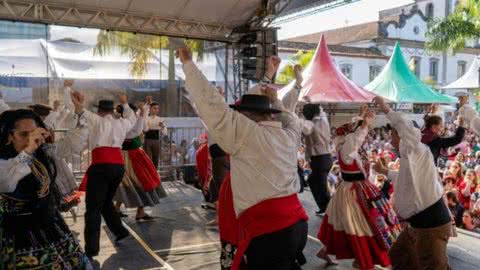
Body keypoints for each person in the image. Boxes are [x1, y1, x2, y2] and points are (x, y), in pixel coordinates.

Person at [178, 48, 308, 270]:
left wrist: (188, 64)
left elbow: (212, 104)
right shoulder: (289, 136)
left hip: (269, 231)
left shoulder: (246, 133)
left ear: (247, 116)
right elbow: (291, 117)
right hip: (297, 224)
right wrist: (275, 100)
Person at [0, 109, 90, 269]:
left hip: (50, 229)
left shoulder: (39, 156)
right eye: (23, 135)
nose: (30, 140)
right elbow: (7, 182)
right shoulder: (6, 162)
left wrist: (79, 112)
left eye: (34, 134)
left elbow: (71, 145)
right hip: (16, 238)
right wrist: (28, 151)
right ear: (8, 136)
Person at [316, 107, 401, 270]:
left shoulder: (348, 148)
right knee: (359, 224)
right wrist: (364, 125)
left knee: (342, 222)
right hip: (353, 192)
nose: (365, 134)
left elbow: (353, 138)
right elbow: (354, 139)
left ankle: (327, 251)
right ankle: (361, 259)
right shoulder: (348, 149)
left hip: (356, 188)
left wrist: (362, 119)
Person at [374, 96, 453, 270]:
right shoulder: (410, 156)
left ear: (403, 136)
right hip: (418, 225)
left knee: (433, 266)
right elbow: (405, 180)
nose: (390, 139)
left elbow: (405, 127)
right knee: (399, 256)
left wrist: (385, 108)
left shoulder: (415, 148)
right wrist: (384, 171)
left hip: (431, 226)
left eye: (393, 134)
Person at [71, 91, 136, 259]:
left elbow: (81, 112)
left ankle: (92, 249)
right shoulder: (121, 123)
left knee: (93, 208)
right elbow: (133, 119)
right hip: (118, 167)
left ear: (100, 111)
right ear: (112, 111)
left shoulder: (97, 120)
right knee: (106, 202)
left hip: (101, 166)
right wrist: (126, 103)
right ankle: (120, 231)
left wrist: (78, 103)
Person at [113, 103, 166, 221]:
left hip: (127, 155)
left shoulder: (121, 122)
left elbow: (141, 129)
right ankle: (139, 211)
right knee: (140, 182)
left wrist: (143, 112)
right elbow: (136, 131)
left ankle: (119, 209)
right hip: (131, 156)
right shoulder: (126, 124)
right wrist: (142, 115)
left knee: (127, 182)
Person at [302, 103, 333, 215]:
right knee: (317, 183)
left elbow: (305, 130)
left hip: (319, 159)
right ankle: (325, 207)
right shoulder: (323, 120)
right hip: (326, 157)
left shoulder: (310, 124)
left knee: (320, 185)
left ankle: (327, 209)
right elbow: (321, 111)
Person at [143, 97, 167, 169]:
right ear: (150, 109)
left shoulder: (160, 119)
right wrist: (154, 126)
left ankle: (155, 173)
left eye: (157, 108)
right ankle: (148, 173)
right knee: (148, 158)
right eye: (154, 108)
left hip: (156, 140)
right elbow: (146, 129)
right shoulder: (146, 118)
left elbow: (165, 132)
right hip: (147, 140)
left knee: (156, 159)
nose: (156, 110)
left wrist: (162, 127)